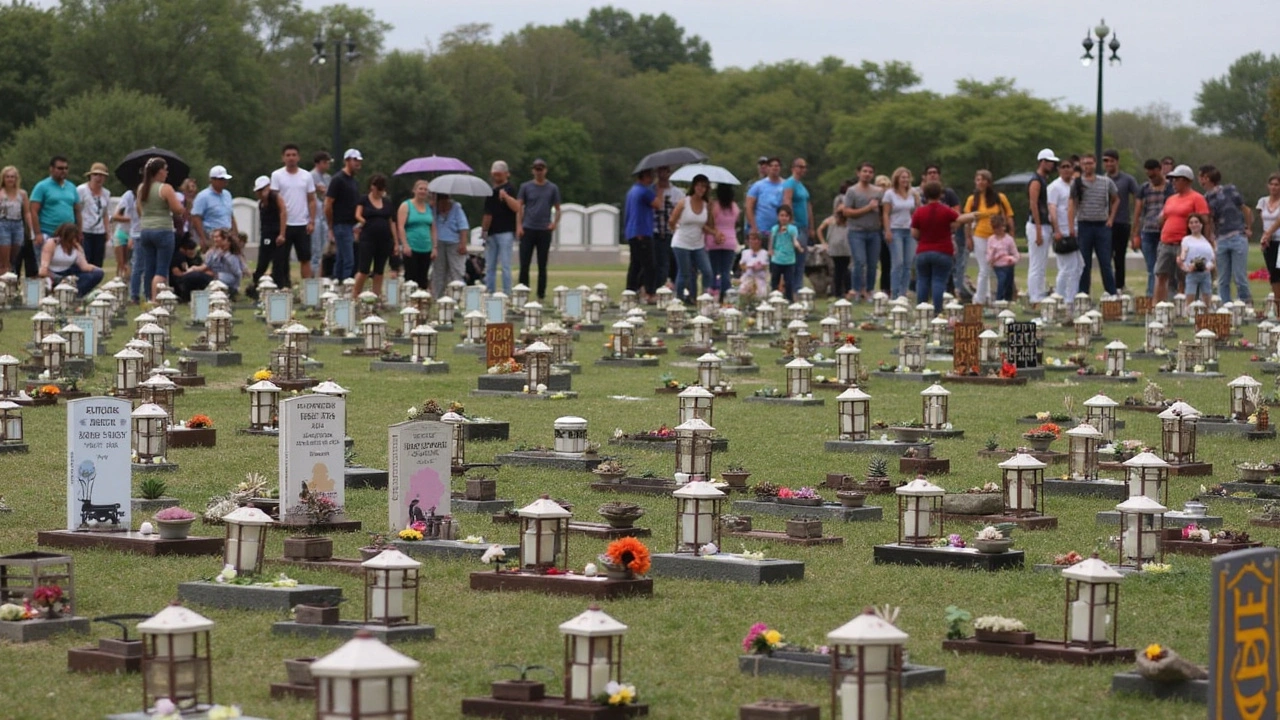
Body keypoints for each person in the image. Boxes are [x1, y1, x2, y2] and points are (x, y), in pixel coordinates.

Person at [911, 181, 979, 312]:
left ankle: (921, 311)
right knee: (938, 281)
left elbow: (914, 233)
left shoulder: (919, 212)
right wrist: (974, 215)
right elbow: (959, 219)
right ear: (941, 195)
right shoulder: (946, 210)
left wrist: (923, 238)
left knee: (922, 280)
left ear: (924, 195)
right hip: (943, 251)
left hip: (923, 251)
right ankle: (937, 312)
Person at [1155, 165, 1209, 302]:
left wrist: (1204, 242)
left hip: (1185, 244)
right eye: (1172, 180)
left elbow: (1205, 221)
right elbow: (1163, 217)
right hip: (1166, 242)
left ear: (1186, 180)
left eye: (1176, 179)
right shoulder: (1170, 199)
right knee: (1161, 275)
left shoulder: (1197, 198)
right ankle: (1158, 307)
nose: (1173, 182)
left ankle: (1186, 307)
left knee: (1185, 277)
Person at [1200, 164, 1253, 303]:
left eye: (1201, 177)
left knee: (1239, 276)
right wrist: (1211, 238)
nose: (1200, 181)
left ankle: (1245, 303)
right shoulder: (1205, 198)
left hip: (1237, 236)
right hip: (1221, 239)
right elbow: (1209, 220)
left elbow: (1245, 209)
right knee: (1223, 278)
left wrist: (1248, 228)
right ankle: (1226, 305)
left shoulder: (1230, 190)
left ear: (1206, 177)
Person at [1067, 154, 1119, 296]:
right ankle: (1083, 293)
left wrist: (1111, 218)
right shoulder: (1077, 183)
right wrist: (1071, 227)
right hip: (1084, 225)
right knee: (1084, 263)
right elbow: (1072, 205)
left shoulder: (1106, 182)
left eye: (1089, 163)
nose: (1087, 166)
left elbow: (1116, 199)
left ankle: (1111, 293)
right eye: (1084, 164)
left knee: (1105, 262)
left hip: (1102, 225)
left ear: (1095, 164)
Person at [135, 157, 186, 301]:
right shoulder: (166, 188)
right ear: (159, 171)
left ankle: (148, 299)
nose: (167, 172)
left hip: (146, 230)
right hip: (163, 230)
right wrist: (183, 207)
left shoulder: (141, 188)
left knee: (149, 267)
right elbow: (177, 210)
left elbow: (139, 209)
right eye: (165, 169)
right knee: (162, 269)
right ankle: (156, 299)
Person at [962, 170, 1014, 304]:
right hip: (980, 235)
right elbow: (967, 220)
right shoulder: (972, 199)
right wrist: (968, 237)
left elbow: (1008, 216)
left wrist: (1011, 235)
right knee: (984, 267)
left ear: (989, 182)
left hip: (997, 237)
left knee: (995, 267)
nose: (981, 182)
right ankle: (979, 299)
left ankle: (992, 296)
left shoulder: (999, 198)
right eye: (978, 180)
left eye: (983, 179)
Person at [268, 144, 316, 287]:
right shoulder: (277, 175)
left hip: (302, 224)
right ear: (283, 158)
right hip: (284, 225)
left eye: (294, 155)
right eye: (288, 155)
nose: (291, 158)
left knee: (305, 258)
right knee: (281, 259)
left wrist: (311, 221)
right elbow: (274, 199)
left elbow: (312, 200)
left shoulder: (306, 176)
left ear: (298, 157)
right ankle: (282, 288)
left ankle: (308, 291)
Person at [516, 158, 561, 300]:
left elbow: (558, 208)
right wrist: (518, 225)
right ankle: (523, 292)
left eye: (541, 169)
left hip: (543, 229)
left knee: (542, 264)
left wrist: (554, 223)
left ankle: (540, 294)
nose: (539, 171)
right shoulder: (526, 187)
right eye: (536, 169)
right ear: (532, 171)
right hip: (528, 228)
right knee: (524, 263)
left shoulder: (552, 188)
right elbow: (519, 207)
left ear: (545, 170)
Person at [29, 156, 81, 274]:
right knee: (44, 267)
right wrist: (37, 233)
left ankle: (63, 290)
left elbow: (77, 210)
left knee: (65, 267)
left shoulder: (71, 187)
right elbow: (33, 210)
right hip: (47, 232)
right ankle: (42, 291)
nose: (63, 171)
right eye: (60, 168)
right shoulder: (42, 186)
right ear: (51, 169)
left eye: (66, 168)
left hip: (67, 235)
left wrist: (79, 231)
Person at [920, 165, 966, 299]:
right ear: (925, 176)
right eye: (930, 173)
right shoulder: (919, 195)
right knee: (933, 275)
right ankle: (935, 302)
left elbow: (957, 214)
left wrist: (953, 226)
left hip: (943, 236)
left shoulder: (949, 194)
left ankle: (948, 292)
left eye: (935, 172)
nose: (933, 175)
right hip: (929, 238)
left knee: (945, 269)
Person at [668, 174, 715, 302]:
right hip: (681, 243)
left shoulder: (706, 204)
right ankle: (678, 299)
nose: (702, 189)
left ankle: (705, 297)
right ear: (694, 186)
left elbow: (707, 225)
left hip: (698, 243)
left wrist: (715, 231)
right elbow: (672, 220)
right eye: (699, 186)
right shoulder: (684, 202)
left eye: (704, 186)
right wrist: (676, 228)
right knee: (685, 273)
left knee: (707, 271)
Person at [842, 162, 884, 301]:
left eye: (870, 172)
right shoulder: (852, 191)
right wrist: (867, 208)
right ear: (858, 173)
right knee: (859, 261)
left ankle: (869, 291)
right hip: (856, 231)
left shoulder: (878, 191)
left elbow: (883, 210)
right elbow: (846, 211)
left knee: (872, 263)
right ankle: (856, 290)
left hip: (874, 232)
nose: (867, 174)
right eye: (864, 171)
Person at [1132, 159, 1174, 297]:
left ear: (1159, 170)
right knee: (1152, 268)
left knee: (1164, 268)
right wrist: (1135, 234)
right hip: (1148, 231)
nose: (1151, 178)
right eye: (1149, 175)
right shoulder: (1144, 188)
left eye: (1153, 175)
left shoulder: (1170, 188)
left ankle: (1165, 297)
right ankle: (1151, 297)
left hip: (1164, 233)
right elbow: (1138, 212)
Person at [353, 173, 398, 298]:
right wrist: (362, 221)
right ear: (372, 187)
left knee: (379, 270)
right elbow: (357, 214)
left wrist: (395, 241)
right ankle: (355, 295)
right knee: (364, 270)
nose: (380, 191)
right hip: (368, 238)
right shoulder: (364, 199)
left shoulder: (387, 202)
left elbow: (391, 222)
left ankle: (376, 296)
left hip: (384, 240)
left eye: (382, 189)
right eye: (378, 188)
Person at [1102, 149, 1139, 291]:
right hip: (1105, 223)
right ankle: (1109, 286)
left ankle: (1120, 285)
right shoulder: (1101, 180)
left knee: (1120, 256)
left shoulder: (1127, 179)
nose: (1108, 163)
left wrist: (1135, 218)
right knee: (1106, 257)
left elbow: (1138, 197)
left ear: (1117, 161)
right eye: (1105, 161)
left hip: (1122, 222)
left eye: (1111, 160)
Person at [1026, 149, 1059, 302]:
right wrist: (1038, 229)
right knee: (1036, 263)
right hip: (1036, 224)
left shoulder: (1043, 179)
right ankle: (1034, 296)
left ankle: (1038, 292)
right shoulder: (1036, 180)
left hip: (1044, 224)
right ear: (1042, 162)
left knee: (1041, 263)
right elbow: (1034, 204)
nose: (1052, 165)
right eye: (1049, 162)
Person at [624, 169, 662, 301]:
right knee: (649, 265)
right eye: (650, 176)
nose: (652, 178)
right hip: (642, 232)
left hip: (632, 232)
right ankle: (650, 293)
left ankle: (630, 290)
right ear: (644, 176)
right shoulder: (644, 191)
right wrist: (659, 190)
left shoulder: (632, 191)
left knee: (636, 264)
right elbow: (658, 204)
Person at [1048, 157, 1084, 299]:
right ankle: (1060, 296)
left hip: (1076, 228)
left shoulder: (1075, 185)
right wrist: (1056, 230)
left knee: (1079, 266)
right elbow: (1052, 208)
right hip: (1062, 230)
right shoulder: (1054, 187)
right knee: (1066, 267)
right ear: (1058, 169)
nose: (1067, 169)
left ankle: (1072, 296)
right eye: (1063, 166)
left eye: (1069, 167)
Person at [324, 149, 362, 281]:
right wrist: (331, 224)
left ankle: (337, 282)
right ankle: (346, 285)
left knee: (341, 258)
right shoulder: (338, 179)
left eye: (359, 161)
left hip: (350, 224)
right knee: (349, 261)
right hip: (341, 224)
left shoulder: (353, 181)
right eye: (354, 160)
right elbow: (328, 203)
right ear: (347, 161)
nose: (357, 163)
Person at [881, 167, 918, 299]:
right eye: (903, 177)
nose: (905, 180)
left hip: (909, 230)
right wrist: (887, 230)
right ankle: (894, 293)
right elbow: (885, 213)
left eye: (907, 177)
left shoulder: (912, 193)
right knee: (898, 263)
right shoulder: (890, 194)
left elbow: (916, 211)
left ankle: (903, 292)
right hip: (895, 229)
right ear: (897, 178)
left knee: (908, 263)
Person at [482, 160, 518, 294]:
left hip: (506, 232)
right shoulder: (490, 191)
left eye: (499, 174)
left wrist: (506, 197)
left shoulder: (510, 189)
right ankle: (489, 291)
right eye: (495, 174)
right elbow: (487, 213)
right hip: (492, 232)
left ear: (506, 174)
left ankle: (507, 293)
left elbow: (517, 208)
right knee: (490, 266)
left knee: (505, 266)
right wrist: (484, 230)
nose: (496, 177)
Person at [39, 222, 102, 296]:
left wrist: (98, 270)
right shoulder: (52, 243)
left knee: (97, 274)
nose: (73, 241)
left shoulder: (76, 247)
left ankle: (75, 294)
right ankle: (62, 293)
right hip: (53, 275)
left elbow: (85, 267)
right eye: (70, 239)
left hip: (69, 274)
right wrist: (60, 279)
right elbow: (43, 271)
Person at [248, 175, 284, 296]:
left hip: (277, 234)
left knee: (278, 262)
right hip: (267, 236)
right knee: (263, 259)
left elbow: (283, 212)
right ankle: (257, 285)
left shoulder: (276, 198)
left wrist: (282, 234)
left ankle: (279, 286)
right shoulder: (261, 204)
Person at [782, 158, 814, 286]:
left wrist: (811, 226)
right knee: (792, 260)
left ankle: (797, 287)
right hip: (795, 226)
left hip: (803, 227)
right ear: (793, 168)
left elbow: (808, 206)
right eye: (800, 167)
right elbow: (787, 201)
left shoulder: (802, 186)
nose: (802, 170)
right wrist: (790, 222)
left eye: (804, 167)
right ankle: (790, 289)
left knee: (800, 261)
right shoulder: (790, 183)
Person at [190, 165, 238, 252]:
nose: (224, 181)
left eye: (225, 179)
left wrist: (235, 234)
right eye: (221, 179)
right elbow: (196, 218)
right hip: (212, 235)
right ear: (212, 180)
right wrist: (203, 238)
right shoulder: (203, 196)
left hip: (227, 235)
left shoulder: (227, 195)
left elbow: (230, 216)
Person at [651, 165, 684, 290]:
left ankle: (673, 288)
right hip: (655, 231)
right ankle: (658, 289)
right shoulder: (652, 191)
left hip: (672, 232)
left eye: (665, 171)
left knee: (673, 262)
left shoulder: (677, 193)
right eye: (660, 171)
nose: (662, 174)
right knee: (659, 264)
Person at [398, 179, 435, 289]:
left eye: (425, 189)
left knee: (423, 279)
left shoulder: (429, 208)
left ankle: (421, 303)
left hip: (426, 247)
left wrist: (435, 247)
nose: (423, 191)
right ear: (414, 190)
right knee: (411, 278)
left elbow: (433, 228)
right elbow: (401, 226)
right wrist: (405, 245)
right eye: (420, 189)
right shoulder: (406, 205)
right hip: (411, 247)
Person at [705, 183, 739, 300]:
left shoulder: (715, 206)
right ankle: (725, 295)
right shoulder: (734, 207)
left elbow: (710, 223)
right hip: (730, 241)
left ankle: (713, 292)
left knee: (714, 270)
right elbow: (736, 221)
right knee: (726, 271)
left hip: (714, 240)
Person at [430, 193, 468, 298]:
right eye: (440, 200)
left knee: (456, 270)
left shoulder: (456, 208)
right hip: (438, 243)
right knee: (439, 272)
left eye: (445, 200)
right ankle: (438, 297)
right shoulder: (432, 209)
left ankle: (458, 297)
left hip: (454, 243)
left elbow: (463, 227)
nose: (442, 203)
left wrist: (463, 243)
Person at [746, 157, 785, 251]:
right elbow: (749, 207)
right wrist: (753, 227)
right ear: (768, 168)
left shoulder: (786, 185)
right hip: (761, 230)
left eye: (777, 166)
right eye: (772, 166)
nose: (774, 168)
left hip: (780, 229)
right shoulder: (758, 185)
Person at [76, 162, 111, 269]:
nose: (98, 178)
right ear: (90, 176)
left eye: (101, 175)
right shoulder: (81, 190)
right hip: (85, 231)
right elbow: (77, 211)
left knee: (98, 261)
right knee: (85, 259)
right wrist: (78, 230)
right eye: (95, 175)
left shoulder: (106, 193)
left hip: (99, 232)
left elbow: (105, 213)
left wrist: (107, 231)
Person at [1178, 214, 1215, 304]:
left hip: (1205, 273)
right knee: (1190, 299)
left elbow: (1212, 259)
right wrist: (1185, 267)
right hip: (1192, 273)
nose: (1194, 225)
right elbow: (1183, 255)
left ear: (1201, 224)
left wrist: (1208, 267)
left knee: (1207, 299)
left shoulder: (1206, 241)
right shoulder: (1186, 240)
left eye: (1196, 222)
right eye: (1191, 223)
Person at [0, 166, 30, 276]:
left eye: (12, 177)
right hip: (3, 224)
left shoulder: (22, 194)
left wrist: (31, 229)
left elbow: (27, 212)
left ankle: (11, 279)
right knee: (4, 257)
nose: (10, 179)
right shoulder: (1, 193)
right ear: (3, 178)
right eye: (7, 177)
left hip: (18, 224)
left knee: (15, 256)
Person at [769, 205, 802, 301]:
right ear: (778, 217)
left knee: (789, 283)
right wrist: (770, 251)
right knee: (774, 282)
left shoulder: (792, 229)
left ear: (789, 217)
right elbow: (772, 241)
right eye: (781, 215)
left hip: (789, 260)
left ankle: (790, 301)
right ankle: (774, 300)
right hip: (777, 259)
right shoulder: (775, 229)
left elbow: (795, 240)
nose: (784, 218)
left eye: (786, 216)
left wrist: (798, 247)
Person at [986, 215, 1020, 302]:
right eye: (994, 228)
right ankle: (999, 299)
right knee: (1001, 280)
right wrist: (992, 254)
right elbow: (988, 257)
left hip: (1008, 266)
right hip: (997, 266)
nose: (996, 230)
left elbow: (1016, 255)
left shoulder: (1009, 240)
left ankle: (1008, 299)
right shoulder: (991, 240)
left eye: (998, 228)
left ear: (1003, 227)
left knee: (1008, 283)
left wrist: (1012, 260)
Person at [111, 188, 139, 293]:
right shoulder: (128, 195)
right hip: (122, 232)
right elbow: (115, 216)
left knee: (133, 264)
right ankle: (118, 289)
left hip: (135, 234)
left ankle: (130, 290)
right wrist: (133, 219)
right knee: (121, 264)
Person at [817, 210, 850, 298]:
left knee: (845, 270)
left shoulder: (849, 221)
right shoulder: (831, 220)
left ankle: (847, 291)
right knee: (837, 271)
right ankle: (837, 292)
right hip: (835, 251)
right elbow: (820, 229)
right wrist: (823, 243)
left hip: (846, 250)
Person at [169, 235, 213, 301]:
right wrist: (190, 272)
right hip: (179, 280)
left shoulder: (195, 257)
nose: (193, 253)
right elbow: (176, 273)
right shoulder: (178, 257)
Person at [1258, 173, 1280, 303]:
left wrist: (1269, 233)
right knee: (1272, 273)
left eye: (1277, 185)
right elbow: (1264, 220)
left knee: (1278, 273)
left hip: (1278, 239)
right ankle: (1277, 307)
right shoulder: (1262, 201)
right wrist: (1265, 237)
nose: (1274, 187)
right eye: (1271, 184)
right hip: (1269, 241)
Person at [204, 228, 247, 295]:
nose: (215, 240)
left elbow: (237, 273)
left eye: (218, 237)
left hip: (227, 283)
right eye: (214, 237)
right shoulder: (214, 253)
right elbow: (208, 265)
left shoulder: (232, 256)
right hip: (215, 278)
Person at [309, 151, 331, 278]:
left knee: (324, 250)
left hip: (325, 217)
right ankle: (314, 278)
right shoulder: (310, 176)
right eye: (325, 162)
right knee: (315, 250)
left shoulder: (328, 178)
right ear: (318, 163)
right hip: (315, 217)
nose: (327, 165)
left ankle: (323, 275)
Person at [739, 232, 770, 298]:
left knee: (761, 293)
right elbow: (742, 265)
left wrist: (760, 267)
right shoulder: (745, 252)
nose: (755, 242)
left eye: (757, 240)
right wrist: (749, 267)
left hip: (760, 279)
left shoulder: (765, 253)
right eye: (752, 239)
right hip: (748, 278)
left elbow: (767, 266)